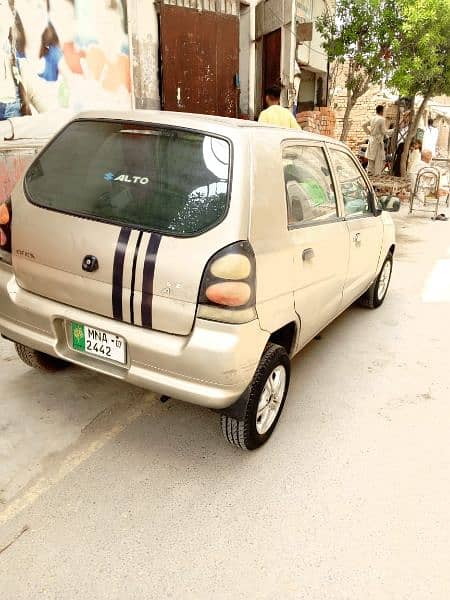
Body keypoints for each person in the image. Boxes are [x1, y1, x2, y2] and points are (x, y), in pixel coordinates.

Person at [363, 105, 393, 176]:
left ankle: (370, 177)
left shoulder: (372, 118)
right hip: (378, 142)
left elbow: (363, 125)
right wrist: (394, 130)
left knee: (371, 161)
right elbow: (384, 132)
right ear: (381, 111)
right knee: (378, 162)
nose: (385, 112)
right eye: (384, 111)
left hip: (372, 141)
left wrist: (369, 133)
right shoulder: (381, 119)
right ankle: (376, 177)